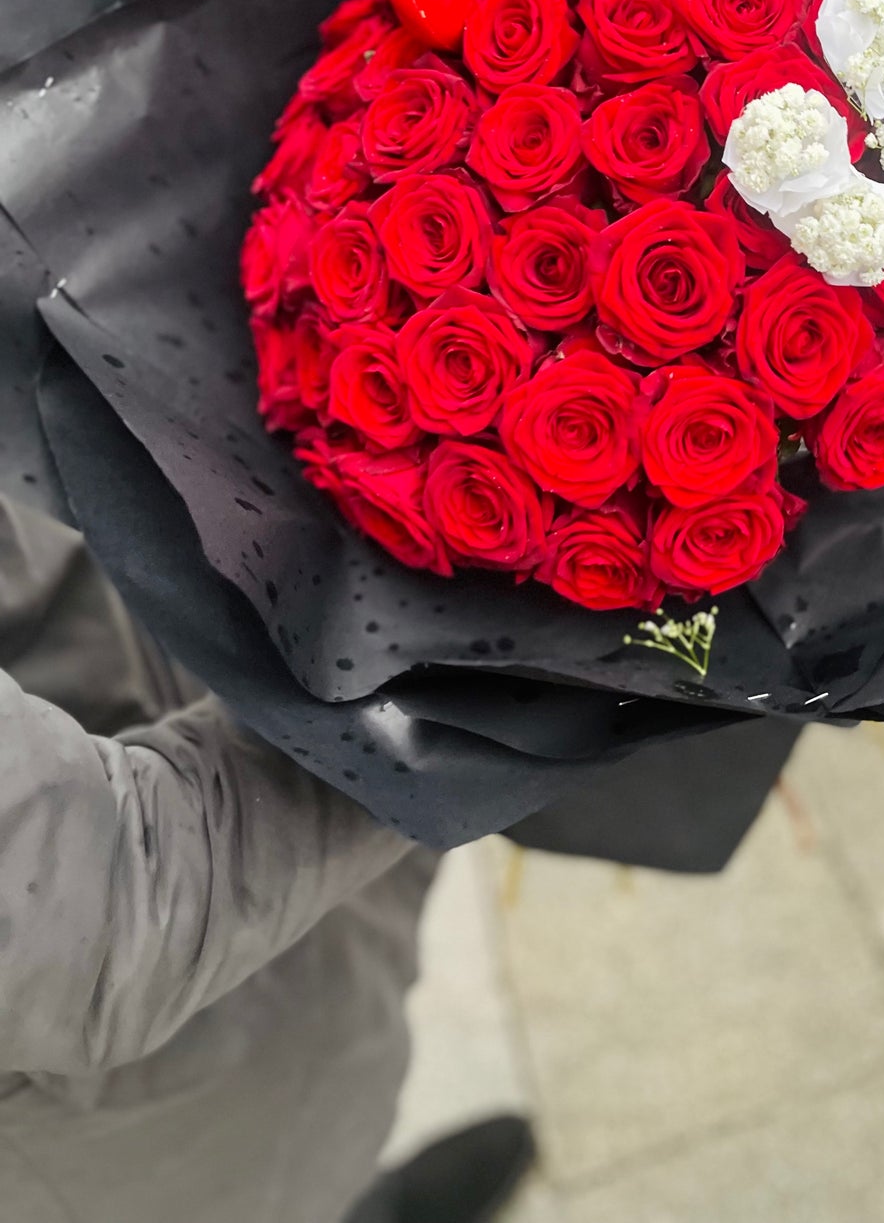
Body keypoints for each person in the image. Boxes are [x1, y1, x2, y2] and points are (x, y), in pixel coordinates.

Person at [0, 494, 533, 1223]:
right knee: (229, 1176)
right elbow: (80, 931)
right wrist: (444, 689)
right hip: (94, 1078)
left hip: (186, 722)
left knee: (333, 1038)